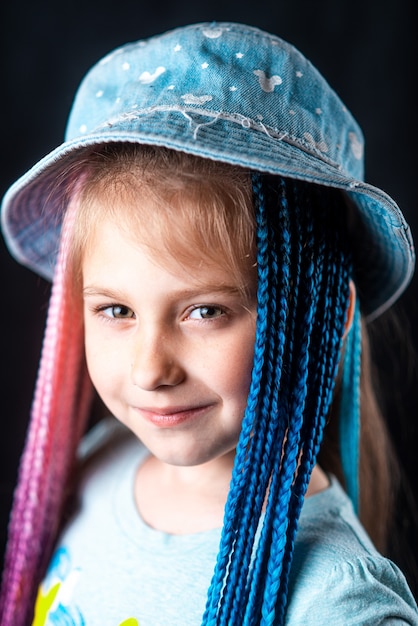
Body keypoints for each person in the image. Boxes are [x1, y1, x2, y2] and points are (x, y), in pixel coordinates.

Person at [0, 21, 417, 626]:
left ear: (326, 318)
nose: (150, 370)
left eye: (205, 311)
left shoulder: (335, 603)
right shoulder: (98, 461)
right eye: (116, 310)